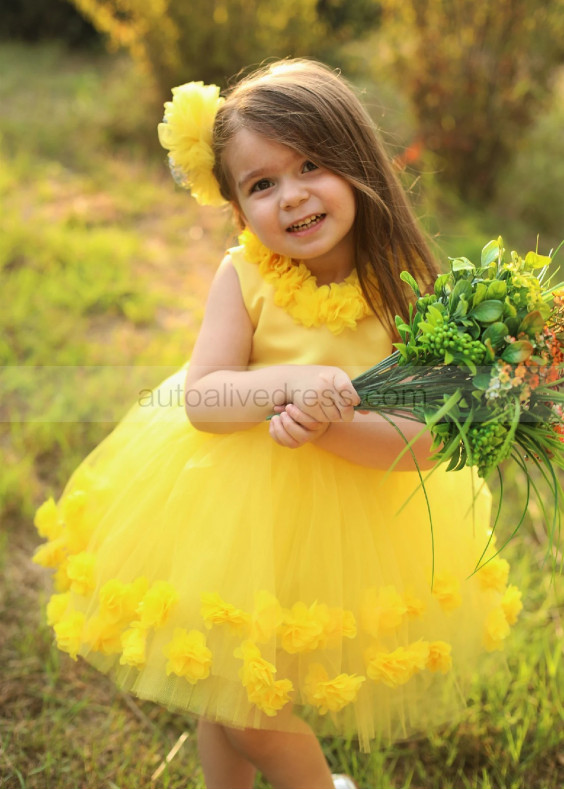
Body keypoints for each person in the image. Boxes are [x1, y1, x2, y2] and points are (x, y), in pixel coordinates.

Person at [33, 60, 522, 789]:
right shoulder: (245, 276)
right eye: (262, 185)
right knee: (231, 693)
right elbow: (205, 400)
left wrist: (329, 425)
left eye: (311, 165)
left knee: (245, 695)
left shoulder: (408, 288)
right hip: (235, 517)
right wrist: (287, 384)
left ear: (359, 164)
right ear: (237, 208)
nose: (291, 196)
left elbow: (423, 444)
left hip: (354, 522)